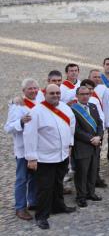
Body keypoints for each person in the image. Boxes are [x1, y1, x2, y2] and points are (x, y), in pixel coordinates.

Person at [24, 84, 77, 230]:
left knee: (58, 183)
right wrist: (31, 158)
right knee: (45, 188)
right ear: (45, 94)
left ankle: (58, 206)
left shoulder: (66, 108)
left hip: (62, 155)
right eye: (52, 93)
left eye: (58, 93)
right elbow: (29, 135)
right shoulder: (36, 112)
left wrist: (69, 146)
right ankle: (41, 216)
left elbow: (71, 128)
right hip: (44, 158)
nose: (55, 95)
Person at [4, 78, 39, 221]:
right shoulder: (17, 106)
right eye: (30, 89)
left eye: (35, 88)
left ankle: (33, 201)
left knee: (35, 178)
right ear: (23, 91)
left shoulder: (40, 101)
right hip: (23, 149)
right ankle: (20, 207)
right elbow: (7, 128)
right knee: (22, 179)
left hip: (37, 148)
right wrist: (20, 121)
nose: (33, 91)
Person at [70, 86, 104, 208]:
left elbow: (100, 123)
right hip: (82, 146)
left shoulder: (93, 106)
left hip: (95, 145)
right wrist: (92, 139)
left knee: (93, 171)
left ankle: (91, 193)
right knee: (82, 173)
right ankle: (81, 197)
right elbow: (76, 130)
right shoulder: (73, 110)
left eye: (87, 94)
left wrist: (99, 137)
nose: (85, 96)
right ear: (77, 95)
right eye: (82, 94)